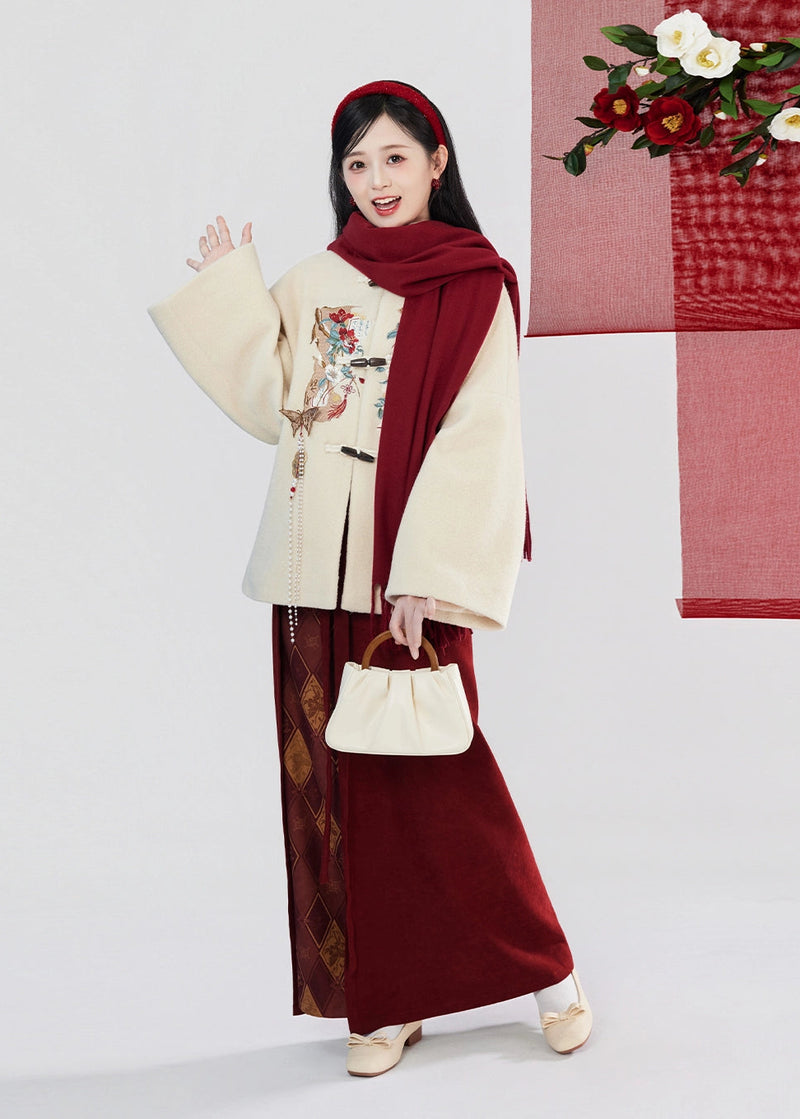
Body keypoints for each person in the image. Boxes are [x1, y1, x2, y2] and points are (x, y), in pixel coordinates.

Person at [147, 79, 592, 1078]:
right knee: (340, 793)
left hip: (411, 582)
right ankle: (387, 1003)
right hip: (314, 568)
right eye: (356, 163)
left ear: (436, 162)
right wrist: (228, 290)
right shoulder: (318, 279)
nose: (376, 180)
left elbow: (480, 435)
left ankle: (550, 973)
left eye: (394, 157)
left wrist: (424, 573)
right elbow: (273, 400)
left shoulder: (476, 283)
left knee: (445, 785)